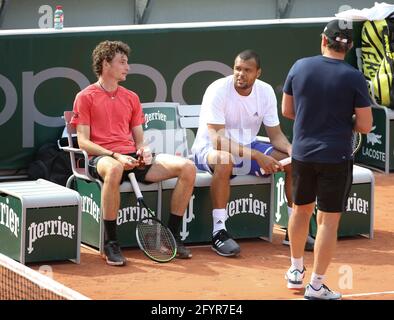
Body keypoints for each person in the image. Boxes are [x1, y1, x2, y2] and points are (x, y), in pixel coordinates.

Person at [71, 40, 196, 266]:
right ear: (106, 64)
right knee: (115, 167)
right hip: (102, 158)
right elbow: (83, 142)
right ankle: (111, 243)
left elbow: (140, 140)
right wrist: (115, 155)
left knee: (187, 167)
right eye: (122, 62)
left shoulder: (131, 97)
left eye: (127, 62)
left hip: (130, 157)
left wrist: (144, 151)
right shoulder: (85, 97)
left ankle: (172, 238)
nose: (127, 67)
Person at [282, 19, 372, 299]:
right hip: (336, 156)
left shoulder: (299, 67)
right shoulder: (354, 76)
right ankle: (317, 287)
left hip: (303, 154)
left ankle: (295, 272)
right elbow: (366, 126)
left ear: (324, 39)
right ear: (350, 46)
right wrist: (345, 121)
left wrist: (313, 118)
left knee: (300, 210)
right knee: (328, 222)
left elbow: (288, 110)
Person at [192, 49, 297, 257]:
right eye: (237, 69)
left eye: (247, 70)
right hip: (209, 149)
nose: (240, 74)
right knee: (225, 160)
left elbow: (276, 136)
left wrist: (291, 149)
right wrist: (257, 156)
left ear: (258, 73)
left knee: (293, 163)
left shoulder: (265, 92)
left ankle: (294, 228)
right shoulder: (218, 90)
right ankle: (219, 231)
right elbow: (218, 140)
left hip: (248, 147)